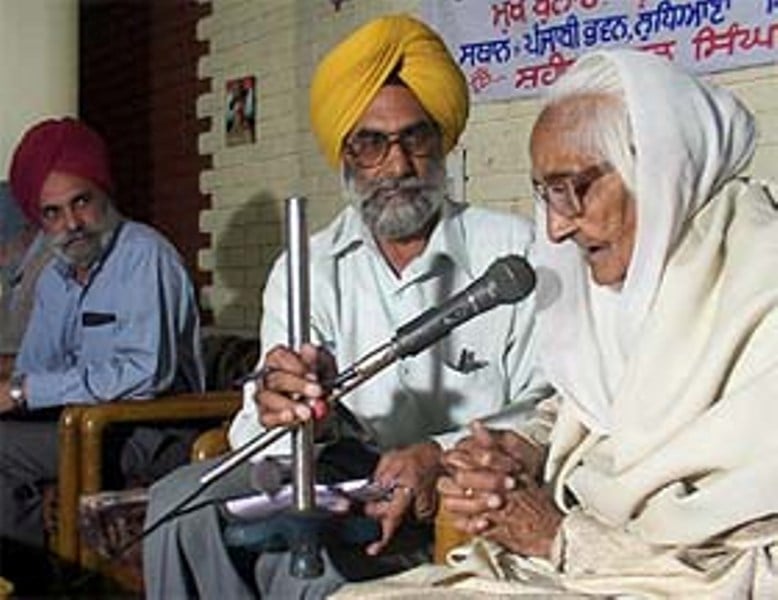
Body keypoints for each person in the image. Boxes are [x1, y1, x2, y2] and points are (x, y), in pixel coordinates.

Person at [331, 49, 778, 598]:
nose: (557, 229)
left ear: (656, 167)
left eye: (572, 188)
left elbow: (762, 569)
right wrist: (523, 447)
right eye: (547, 193)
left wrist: (561, 538)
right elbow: (591, 410)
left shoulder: (760, 285)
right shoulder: (637, 276)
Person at [144, 13, 550, 599]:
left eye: (416, 139)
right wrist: (296, 411)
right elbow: (255, 436)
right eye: (371, 144)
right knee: (175, 507)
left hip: (461, 500)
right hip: (340, 483)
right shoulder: (307, 269)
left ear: (442, 144)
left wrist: (440, 455)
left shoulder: (513, 255)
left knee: (304, 580)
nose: (397, 166)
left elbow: (548, 409)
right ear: (345, 158)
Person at [0, 117, 205, 550]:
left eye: (81, 202)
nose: (72, 223)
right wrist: (17, 391)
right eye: (53, 213)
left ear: (104, 192)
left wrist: (24, 392)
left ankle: (38, 571)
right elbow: (36, 369)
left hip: (154, 429)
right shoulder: (55, 279)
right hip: (83, 424)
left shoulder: (144, 256)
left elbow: (145, 375)